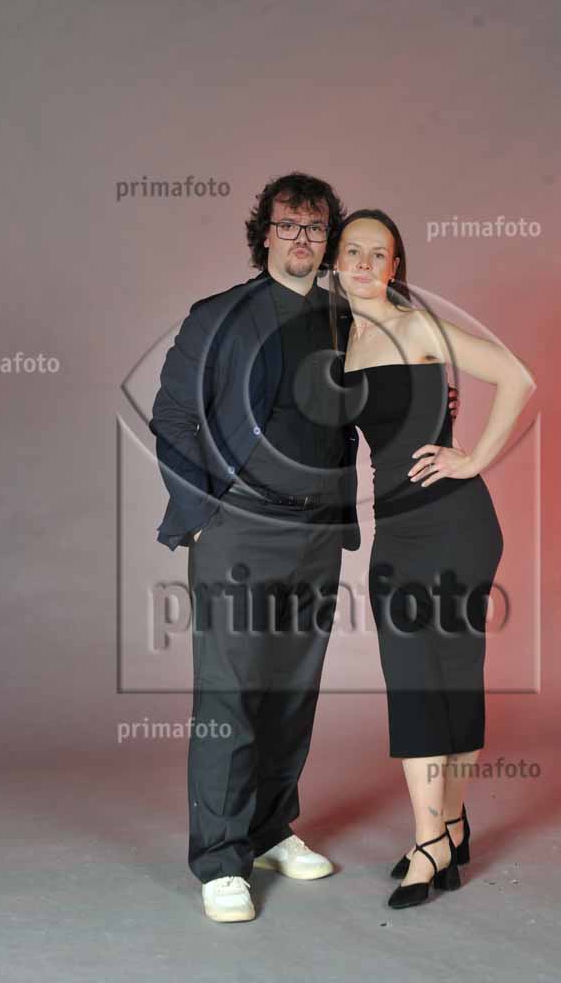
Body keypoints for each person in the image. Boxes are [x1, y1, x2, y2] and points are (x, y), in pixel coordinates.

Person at [149, 172, 463, 922]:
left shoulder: (343, 319)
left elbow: (386, 394)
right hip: (237, 532)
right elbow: (172, 418)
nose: (301, 238)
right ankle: (220, 859)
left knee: (292, 693)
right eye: (288, 225)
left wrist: (433, 406)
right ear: (265, 234)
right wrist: (202, 516)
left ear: (327, 242)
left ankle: (269, 831)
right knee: (231, 694)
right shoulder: (217, 317)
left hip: (318, 533)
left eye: (316, 228)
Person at [332, 208, 536, 910]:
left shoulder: (417, 326)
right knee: (412, 680)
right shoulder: (339, 343)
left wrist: (473, 458)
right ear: (336, 262)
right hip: (396, 532)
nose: (364, 263)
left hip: (456, 524)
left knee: (450, 675)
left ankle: (433, 837)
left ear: (395, 267)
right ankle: (446, 829)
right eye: (353, 250)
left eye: (378, 253)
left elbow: (515, 376)